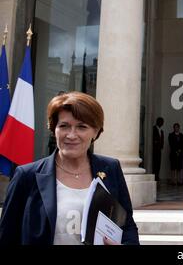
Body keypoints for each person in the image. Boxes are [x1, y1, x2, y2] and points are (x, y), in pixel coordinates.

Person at [0, 92, 139, 245]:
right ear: (54, 129)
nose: (71, 135)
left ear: (96, 131)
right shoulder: (27, 176)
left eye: (82, 127)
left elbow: (127, 226)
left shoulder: (110, 168)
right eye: (64, 126)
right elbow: (7, 235)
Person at [152, 117, 164, 182]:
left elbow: (162, 140)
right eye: (161, 121)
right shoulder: (153, 129)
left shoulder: (161, 131)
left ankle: (157, 176)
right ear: (157, 122)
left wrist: (161, 146)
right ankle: (154, 176)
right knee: (154, 163)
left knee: (158, 164)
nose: (162, 123)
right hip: (154, 150)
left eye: (162, 122)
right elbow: (153, 139)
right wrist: (156, 142)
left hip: (159, 150)